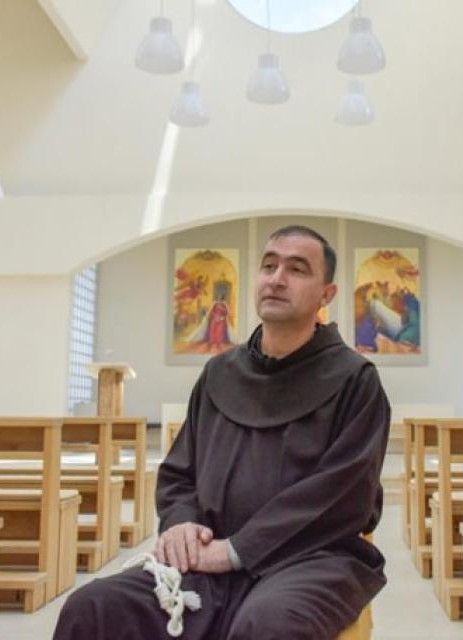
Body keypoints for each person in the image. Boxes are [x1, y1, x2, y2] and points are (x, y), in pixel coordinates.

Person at [53, 225, 391, 640]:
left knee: (268, 626)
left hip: (311, 559)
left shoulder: (355, 380)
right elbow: (179, 472)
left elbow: (345, 492)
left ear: (327, 294)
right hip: (206, 557)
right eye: (269, 265)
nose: (277, 278)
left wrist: (236, 551)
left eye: (297, 269)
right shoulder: (220, 373)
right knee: (92, 607)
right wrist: (181, 525)